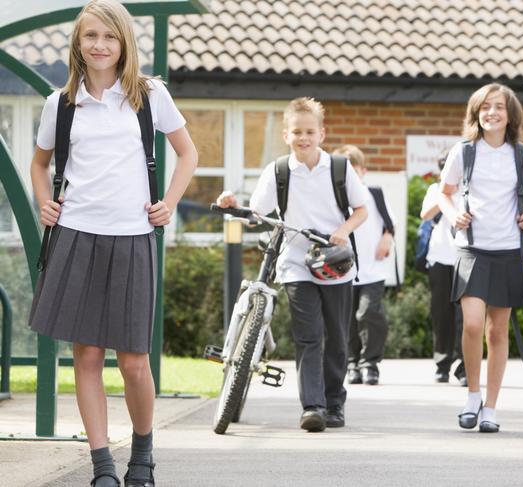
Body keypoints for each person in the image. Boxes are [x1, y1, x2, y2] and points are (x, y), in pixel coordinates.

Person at [28, 1, 198, 485]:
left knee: (134, 362)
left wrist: (167, 202)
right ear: (77, 44)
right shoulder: (59, 104)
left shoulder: (149, 95)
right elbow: (40, 164)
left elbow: (188, 153)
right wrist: (45, 202)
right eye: (90, 37)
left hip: (132, 237)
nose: (99, 45)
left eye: (109, 36)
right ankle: (102, 466)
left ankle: (141, 456)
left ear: (124, 42)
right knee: (85, 356)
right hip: (76, 235)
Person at [216, 97, 368, 432]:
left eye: (310, 131)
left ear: (321, 134)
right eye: (297, 131)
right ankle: (312, 407)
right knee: (309, 335)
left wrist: (342, 231)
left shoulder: (340, 168)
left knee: (338, 338)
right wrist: (232, 205)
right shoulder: (279, 171)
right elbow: (256, 216)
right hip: (296, 263)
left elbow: (361, 209)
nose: (304, 137)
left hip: (335, 263)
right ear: (286, 135)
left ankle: (334, 403)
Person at [438, 83, 523, 433]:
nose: (491, 113)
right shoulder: (463, 152)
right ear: (476, 113)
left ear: (511, 115)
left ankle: (491, 408)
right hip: (472, 249)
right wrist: (452, 216)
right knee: (474, 324)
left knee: (497, 331)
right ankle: (472, 396)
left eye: (499, 107)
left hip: (508, 251)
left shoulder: (522, 155)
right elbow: (444, 193)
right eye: (485, 107)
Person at [332, 145, 393, 386]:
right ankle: (351, 363)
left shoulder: (373, 194)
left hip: (373, 269)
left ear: (363, 171)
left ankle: (371, 363)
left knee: (368, 312)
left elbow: (390, 223)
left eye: (353, 169)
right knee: (346, 318)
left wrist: (387, 237)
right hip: (343, 270)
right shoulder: (334, 198)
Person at [420, 154, 466, 386]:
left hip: (465, 259)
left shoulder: (470, 189)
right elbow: (425, 215)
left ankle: (464, 366)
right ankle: (442, 364)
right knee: (442, 314)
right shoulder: (436, 189)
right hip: (439, 259)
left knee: (466, 315)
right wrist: (445, 194)